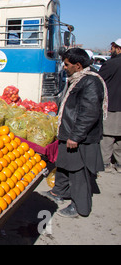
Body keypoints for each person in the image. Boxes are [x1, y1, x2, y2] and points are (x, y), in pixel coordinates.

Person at [41, 48, 108, 218]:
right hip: (68, 133)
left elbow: (89, 113)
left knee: (79, 172)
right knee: (63, 164)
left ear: (78, 66)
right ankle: (59, 192)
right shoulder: (78, 78)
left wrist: (75, 136)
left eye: (67, 64)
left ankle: (80, 207)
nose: (64, 67)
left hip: (79, 138)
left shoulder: (91, 82)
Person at [98, 39, 121, 172]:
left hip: (112, 105)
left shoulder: (112, 63)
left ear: (118, 49)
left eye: (113, 48)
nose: (111, 50)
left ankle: (105, 163)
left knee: (107, 136)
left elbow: (100, 79)